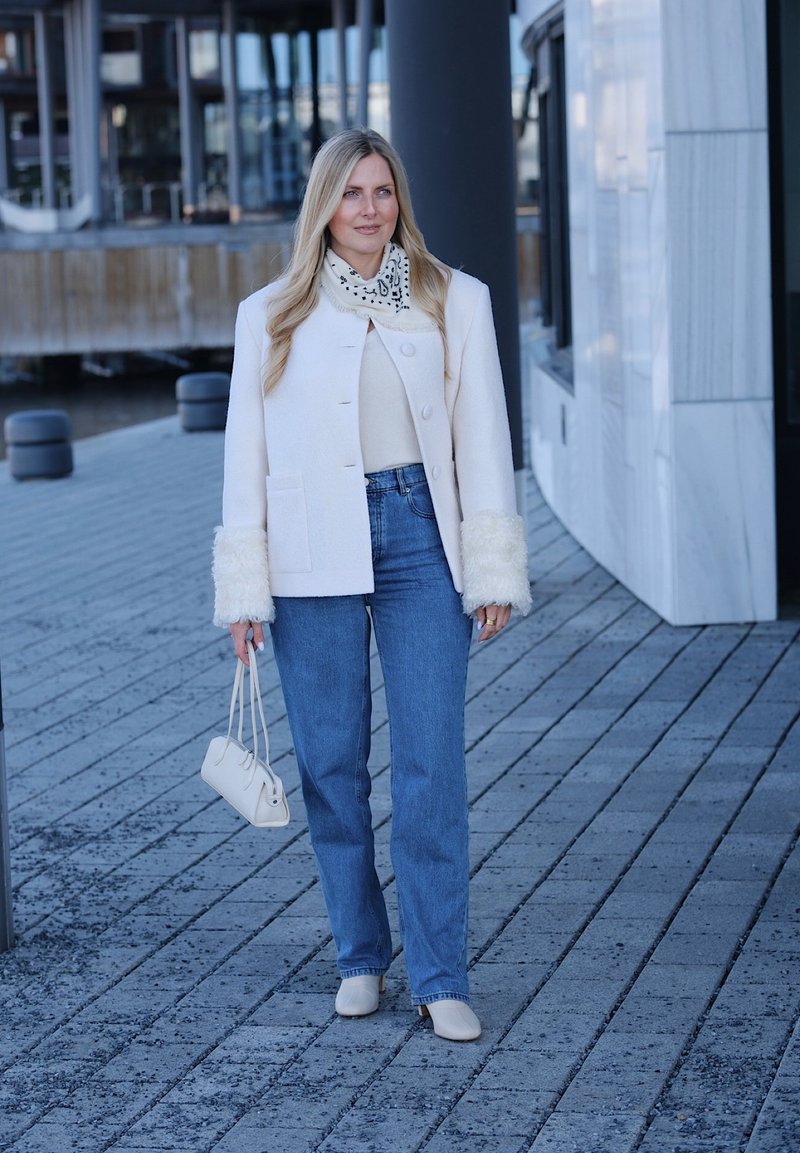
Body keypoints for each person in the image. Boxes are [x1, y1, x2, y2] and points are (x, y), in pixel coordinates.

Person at [212, 128, 531, 1042]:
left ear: (400, 201)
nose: (368, 208)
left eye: (382, 191)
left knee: (432, 764)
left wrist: (492, 562)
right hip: (311, 550)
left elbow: (483, 436)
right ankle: (361, 955)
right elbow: (247, 456)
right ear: (324, 204)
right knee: (332, 767)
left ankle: (439, 974)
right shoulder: (270, 312)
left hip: (421, 540)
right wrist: (244, 590)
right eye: (350, 192)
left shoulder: (451, 299)